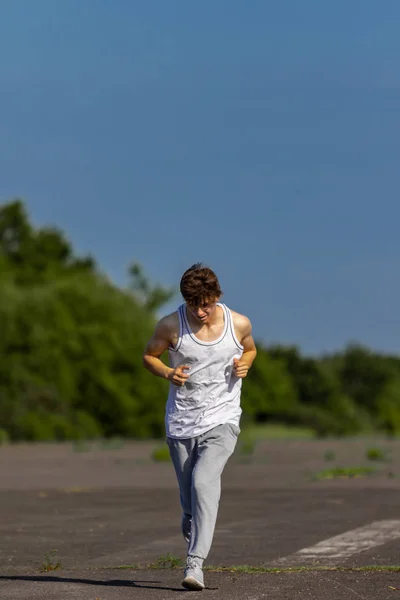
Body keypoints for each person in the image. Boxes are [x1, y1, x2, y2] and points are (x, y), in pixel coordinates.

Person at [143, 263, 257, 591]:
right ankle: (191, 518)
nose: (200, 311)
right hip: (181, 422)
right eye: (193, 304)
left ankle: (195, 564)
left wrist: (245, 364)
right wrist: (168, 372)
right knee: (189, 497)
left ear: (217, 296)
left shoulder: (238, 323)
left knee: (204, 482)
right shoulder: (170, 326)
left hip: (223, 418)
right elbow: (149, 357)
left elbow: (250, 349)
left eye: (206, 303)